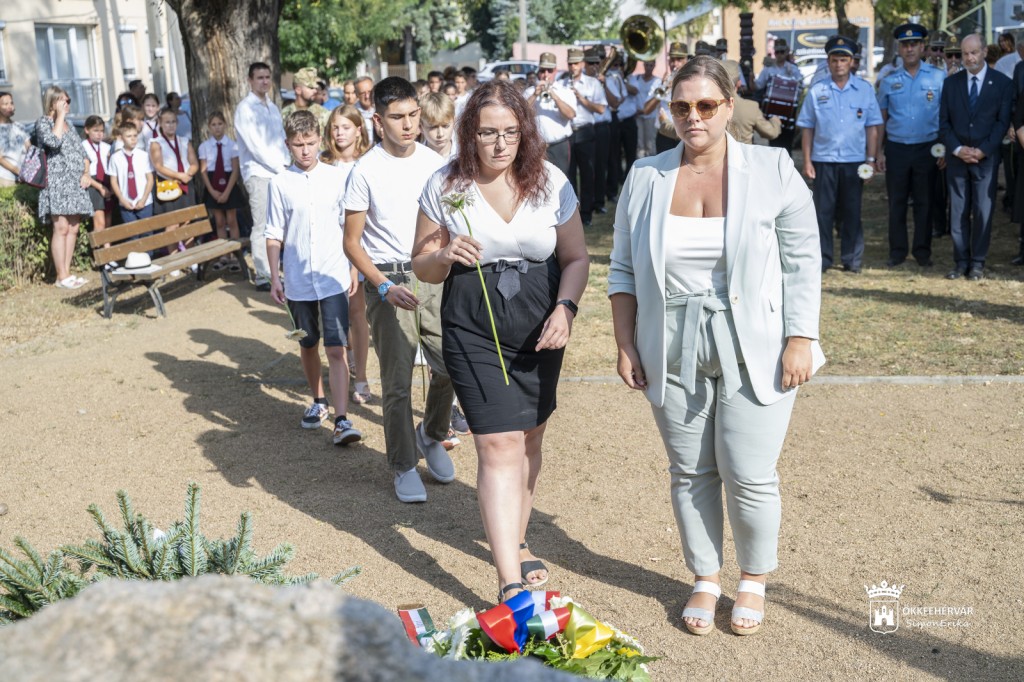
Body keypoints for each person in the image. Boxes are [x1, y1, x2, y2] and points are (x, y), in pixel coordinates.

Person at [608, 56, 824, 637]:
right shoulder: (645, 176)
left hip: (757, 340)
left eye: (706, 105)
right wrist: (626, 343)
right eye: (682, 106)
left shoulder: (773, 168)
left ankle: (753, 577)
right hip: (669, 340)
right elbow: (622, 269)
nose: (694, 117)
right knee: (689, 469)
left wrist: (800, 337)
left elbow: (803, 260)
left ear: (730, 106)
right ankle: (705, 576)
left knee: (749, 472)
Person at [412, 79, 589, 602]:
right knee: (496, 441)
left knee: (529, 437)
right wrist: (443, 255)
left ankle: (517, 537)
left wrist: (566, 308)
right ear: (469, 132)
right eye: (488, 132)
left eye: (510, 132)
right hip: (472, 321)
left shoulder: (551, 180)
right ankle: (508, 577)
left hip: (540, 322)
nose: (500, 143)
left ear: (524, 132)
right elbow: (422, 265)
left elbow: (577, 258)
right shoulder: (445, 183)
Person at [342, 77, 455, 503]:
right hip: (389, 281)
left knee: (451, 365)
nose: (408, 125)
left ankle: (432, 434)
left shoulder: (434, 163)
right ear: (378, 120)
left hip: (434, 273)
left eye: (413, 115)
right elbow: (351, 243)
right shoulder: (364, 171)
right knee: (397, 381)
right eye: (397, 117)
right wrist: (384, 285)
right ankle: (404, 465)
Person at [266, 110, 362, 446]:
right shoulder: (279, 183)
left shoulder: (337, 178)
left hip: (333, 275)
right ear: (287, 144)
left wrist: (353, 267)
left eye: (309, 143)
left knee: (337, 347)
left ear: (319, 140)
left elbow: (349, 228)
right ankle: (318, 399)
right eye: (298, 145)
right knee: (308, 343)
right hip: (297, 280)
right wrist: (275, 276)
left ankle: (342, 418)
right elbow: (273, 233)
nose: (305, 150)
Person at [797, 36, 882, 274]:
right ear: (828, 62)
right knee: (823, 213)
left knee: (851, 212)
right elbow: (807, 127)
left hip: (854, 162)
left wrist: (871, 160)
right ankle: (824, 258)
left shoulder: (864, 90)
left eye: (844, 60)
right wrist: (807, 160)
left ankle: (851, 259)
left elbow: (872, 127)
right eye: (834, 60)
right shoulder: (818, 90)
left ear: (852, 62)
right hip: (824, 160)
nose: (839, 64)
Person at [939, 33, 1014, 281]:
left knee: (983, 211)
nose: (969, 58)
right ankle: (960, 262)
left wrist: (983, 150)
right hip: (958, 158)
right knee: (958, 211)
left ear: (984, 52)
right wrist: (957, 149)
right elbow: (944, 123)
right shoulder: (951, 84)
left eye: (973, 52)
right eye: (965, 53)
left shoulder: (1002, 84)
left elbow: (1002, 122)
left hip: (986, 159)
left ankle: (978, 262)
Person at [877, 23, 946, 268]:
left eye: (914, 44)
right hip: (897, 148)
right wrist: (878, 152)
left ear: (922, 47)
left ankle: (922, 251)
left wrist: (944, 148)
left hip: (928, 147)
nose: (909, 49)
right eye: (905, 45)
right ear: (899, 49)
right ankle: (897, 251)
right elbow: (881, 119)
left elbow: (945, 115)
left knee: (924, 202)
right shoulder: (888, 81)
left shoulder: (938, 77)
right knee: (896, 202)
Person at [321, 104, 373, 405]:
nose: (340, 133)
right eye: (335, 128)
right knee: (334, 312)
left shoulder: (368, 163)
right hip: (328, 246)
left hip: (357, 243)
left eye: (346, 127)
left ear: (358, 130)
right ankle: (346, 357)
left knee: (357, 312)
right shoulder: (322, 163)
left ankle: (361, 376)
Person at [234, 61, 291, 291]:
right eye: (260, 77)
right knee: (262, 225)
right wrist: (281, 167)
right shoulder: (245, 109)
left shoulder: (273, 107)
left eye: (267, 77)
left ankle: (276, 270)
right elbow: (256, 147)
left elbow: (280, 140)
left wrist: (287, 164)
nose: (264, 81)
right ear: (250, 80)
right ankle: (263, 275)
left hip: (279, 171)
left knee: (279, 224)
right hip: (259, 174)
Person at [36, 86, 94, 289]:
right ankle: (61, 276)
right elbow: (53, 142)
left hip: (75, 184)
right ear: (53, 102)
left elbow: (84, 155)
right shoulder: (44, 122)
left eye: (68, 101)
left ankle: (67, 273)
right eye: (64, 101)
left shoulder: (70, 125)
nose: (67, 104)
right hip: (57, 184)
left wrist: (86, 173)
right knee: (61, 228)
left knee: (73, 228)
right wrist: (59, 116)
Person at [198, 111, 245, 271]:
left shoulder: (232, 145)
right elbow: (203, 171)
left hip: (228, 183)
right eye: (213, 125)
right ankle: (224, 255)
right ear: (209, 127)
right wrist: (212, 191)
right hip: (213, 184)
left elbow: (235, 170)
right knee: (219, 221)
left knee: (231, 220)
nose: (217, 128)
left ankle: (235, 255)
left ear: (225, 125)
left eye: (220, 124)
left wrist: (226, 193)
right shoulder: (204, 147)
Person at [566, 46, 606, 226]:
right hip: (568, 131)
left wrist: (582, 99)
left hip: (585, 130)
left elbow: (601, 109)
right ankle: (571, 213)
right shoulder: (562, 82)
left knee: (587, 173)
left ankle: (586, 213)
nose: (572, 67)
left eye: (575, 63)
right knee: (569, 175)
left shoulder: (592, 83)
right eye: (570, 64)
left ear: (582, 64)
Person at [523, 53, 577, 176]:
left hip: (559, 146)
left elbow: (571, 115)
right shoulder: (530, 92)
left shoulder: (565, 91)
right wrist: (535, 95)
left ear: (555, 71)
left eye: (549, 70)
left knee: (562, 178)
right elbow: (521, 113)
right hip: (537, 146)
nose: (545, 74)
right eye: (542, 70)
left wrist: (554, 96)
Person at [150, 107, 198, 227]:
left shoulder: (184, 141)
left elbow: (194, 163)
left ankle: (189, 240)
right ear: (160, 123)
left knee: (187, 221)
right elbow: (158, 166)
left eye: (173, 122)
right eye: (167, 122)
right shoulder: (156, 142)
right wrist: (178, 176)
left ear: (177, 123)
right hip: (168, 184)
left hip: (186, 182)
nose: (171, 125)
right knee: (172, 223)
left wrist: (188, 174)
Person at [754, 38, 803, 152]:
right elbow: (758, 86)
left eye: (782, 52)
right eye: (777, 52)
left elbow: (800, 88)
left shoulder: (793, 69)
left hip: (788, 113)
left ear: (786, 52)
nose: (779, 54)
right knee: (774, 146)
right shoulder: (768, 69)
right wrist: (751, 76)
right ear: (774, 52)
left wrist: (793, 78)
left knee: (787, 147)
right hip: (773, 113)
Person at [723, 60, 781, 144]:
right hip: (742, 152)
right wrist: (775, 121)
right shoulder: (750, 107)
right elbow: (771, 133)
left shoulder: (706, 105)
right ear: (739, 83)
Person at [585, 47, 613, 216]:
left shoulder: (607, 79)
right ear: (584, 64)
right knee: (588, 168)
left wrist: (605, 84)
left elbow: (614, 103)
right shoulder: (579, 81)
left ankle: (599, 201)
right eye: (591, 63)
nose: (595, 66)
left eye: (597, 62)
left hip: (602, 126)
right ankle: (587, 203)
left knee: (601, 165)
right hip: (587, 127)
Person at [108, 123, 155, 223]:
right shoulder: (115, 158)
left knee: (147, 230)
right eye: (129, 136)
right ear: (121, 138)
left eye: (135, 136)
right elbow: (113, 181)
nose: (133, 139)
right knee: (131, 232)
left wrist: (143, 199)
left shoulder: (144, 156)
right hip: (125, 202)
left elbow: (150, 179)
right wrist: (122, 200)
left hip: (145, 202)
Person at [649, 42, 689, 155]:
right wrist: (663, 87)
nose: (675, 64)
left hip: (683, 135)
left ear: (686, 60)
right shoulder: (660, 82)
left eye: (679, 59)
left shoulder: (691, 82)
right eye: (672, 60)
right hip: (664, 135)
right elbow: (646, 109)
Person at [82, 116, 112, 236]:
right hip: (93, 184)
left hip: (106, 180)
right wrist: (99, 187)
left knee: (108, 222)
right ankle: (98, 246)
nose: (99, 134)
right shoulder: (83, 146)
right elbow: (84, 174)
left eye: (101, 131)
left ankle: (107, 245)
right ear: (87, 130)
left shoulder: (106, 147)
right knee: (99, 223)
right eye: (95, 130)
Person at [282, 68, 331, 136]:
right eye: (311, 88)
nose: (315, 91)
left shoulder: (323, 113)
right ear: (298, 90)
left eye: (315, 88)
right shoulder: (285, 114)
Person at [0, 92, 30, 187]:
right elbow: (0, 158)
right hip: (5, 179)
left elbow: (30, 150)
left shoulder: (19, 126)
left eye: (11, 103)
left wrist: (29, 171)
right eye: (5, 104)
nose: (10, 106)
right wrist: (19, 172)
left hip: (24, 179)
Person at [633, 60, 661, 158]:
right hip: (638, 115)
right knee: (639, 144)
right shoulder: (637, 78)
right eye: (647, 65)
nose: (648, 68)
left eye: (651, 65)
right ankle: (640, 165)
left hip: (651, 116)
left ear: (654, 66)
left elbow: (657, 99)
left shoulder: (657, 81)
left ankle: (651, 165)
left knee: (650, 144)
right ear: (644, 65)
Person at [419, 92, 457, 160]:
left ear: (454, 122)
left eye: (445, 126)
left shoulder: (465, 154)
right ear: (420, 127)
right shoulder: (416, 159)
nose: (440, 134)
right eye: (433, 127)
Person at [354, 76, 376, 143]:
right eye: (362, 93)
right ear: (356, 94)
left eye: (369, 92)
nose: (367, 96)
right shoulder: (353, 113)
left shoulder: (382, 110)